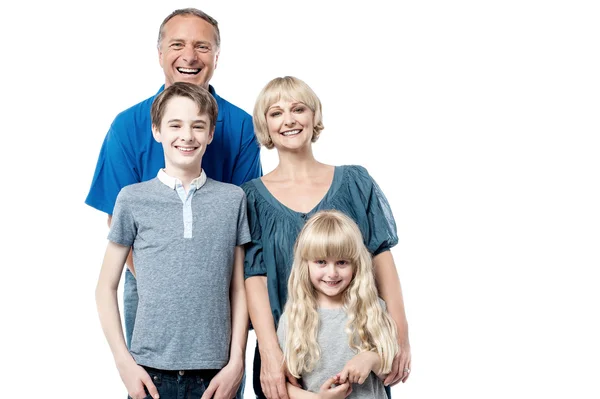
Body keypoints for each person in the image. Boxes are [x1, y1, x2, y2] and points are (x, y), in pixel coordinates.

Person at [85, 8, 261, 354]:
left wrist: (211, 288)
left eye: (202, 46)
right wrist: (163, 286)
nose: (190, 56)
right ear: (160, 54)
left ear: (217, 56)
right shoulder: (127, 126)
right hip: (147, 281)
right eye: (177, 44)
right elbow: (118, 219)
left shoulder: (240, 126)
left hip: (221, 283)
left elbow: (244, 220)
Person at [243, 76, 411, 399]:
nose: (289, 119)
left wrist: (399, 334)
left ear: (314, 116)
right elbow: (255, 278)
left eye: (298, 109)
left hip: (356, 345)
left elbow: (381, 258)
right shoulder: (251, 198)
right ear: (264, 124)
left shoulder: (354, 182)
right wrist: (269, 351)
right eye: (276, 113)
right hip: (292, 356)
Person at [96, 82, 250, 399]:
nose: (187, 136)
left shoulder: (232, 200)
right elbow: (105, 286)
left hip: (215, 375)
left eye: (198, 126)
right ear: (157, 130)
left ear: (210, 134)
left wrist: (236, 363)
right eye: (175, 125)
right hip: (150, 375)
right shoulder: (132, 199)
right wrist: (124, 362)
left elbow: (239, 287)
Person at [277, 210, 399, 399]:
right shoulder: (294, 318)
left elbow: (391, 372)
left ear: (355, 264)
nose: (332, 273)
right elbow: (285, 386)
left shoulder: (371, 310)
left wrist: (371, 359)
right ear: (306, 264)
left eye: (342, 262)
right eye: (321, 262)